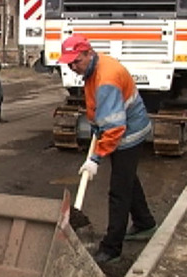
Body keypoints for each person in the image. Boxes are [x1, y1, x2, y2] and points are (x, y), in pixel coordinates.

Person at [58, 34, 156, 264]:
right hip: (117, 130)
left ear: (88, 53)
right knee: (127, 179)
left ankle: (111, 248)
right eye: (69, 63)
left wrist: (96, 158)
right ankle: (145, 223)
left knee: (118, 191)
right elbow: (100, 112)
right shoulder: (93, 69)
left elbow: (114, 127)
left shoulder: (106, 78)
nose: (73, 67)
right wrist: (96, 132)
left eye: (76, 61)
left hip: (127, 134)